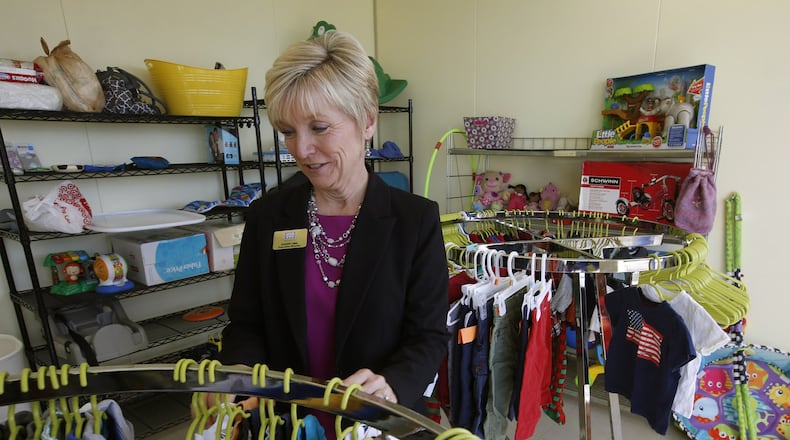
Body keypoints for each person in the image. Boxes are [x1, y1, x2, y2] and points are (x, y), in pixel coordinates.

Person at [218, 29, 449, 431]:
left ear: (368, 121)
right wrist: (238, 373)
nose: (301, 149)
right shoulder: (267, 217)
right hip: (286, 422)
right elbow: (246, 322)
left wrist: (392, 382)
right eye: (288, 131)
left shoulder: (415, 222)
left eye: (319, 128)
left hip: (375, 424)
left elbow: (428, 336)